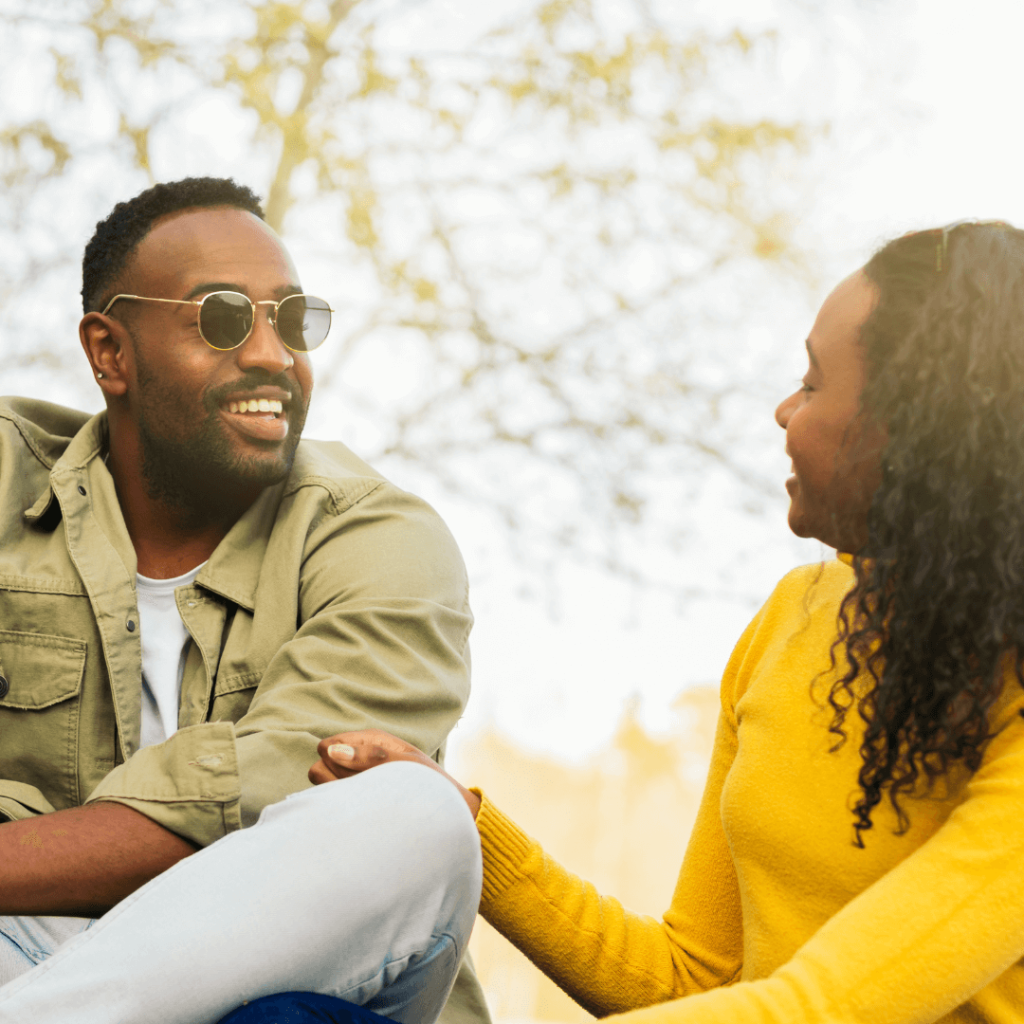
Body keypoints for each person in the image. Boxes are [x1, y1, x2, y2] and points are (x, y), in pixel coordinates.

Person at [305, 221, 1024, 1023]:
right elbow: (688, 980)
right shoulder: (795, 619)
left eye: (816, 385)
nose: (785, 411)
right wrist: (461, 829)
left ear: (918, 430)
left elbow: (817, 1011)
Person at [0, 176, 489, 1024]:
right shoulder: (11, 483)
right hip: (32, 953)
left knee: (419, 817)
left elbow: (272, 806)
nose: (273, 355)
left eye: (293, 321)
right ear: (109, 353)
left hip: (311, 979)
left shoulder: (380, 537)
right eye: (223, 319)